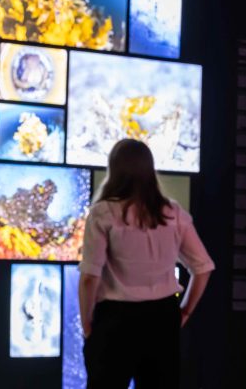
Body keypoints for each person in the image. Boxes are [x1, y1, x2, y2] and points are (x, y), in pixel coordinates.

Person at [78, 139, 215, 388]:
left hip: (114, 320)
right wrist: (184, 312)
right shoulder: (173, 213)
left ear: (114, 169)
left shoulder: (103, 213)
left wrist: (87, 325)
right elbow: (203, 268)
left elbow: (89, 276)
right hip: (162, 318)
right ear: (150, 170)